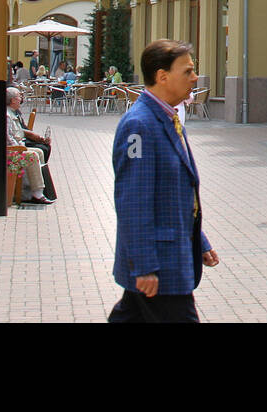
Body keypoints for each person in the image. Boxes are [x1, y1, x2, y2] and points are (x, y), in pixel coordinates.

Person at [108, 39, 218, 322]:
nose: (195, 78)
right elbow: (133, 201)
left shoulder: (166, 116)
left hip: (170, 252)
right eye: (188, 71)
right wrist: (144, 266)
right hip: (160, 263)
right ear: (162, 76)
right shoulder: (139, 126)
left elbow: (175, 193)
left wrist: (199, 240)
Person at [5, 88, 53, 204]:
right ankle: (37, 193)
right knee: (32, 155)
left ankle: (37, 189)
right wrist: (20, 148)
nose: (21, 99)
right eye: (18, 97)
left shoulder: (12, 112)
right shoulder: (7, 115)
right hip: (10, 150)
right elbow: (8, 137)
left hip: (17, 146)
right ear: (12, 100)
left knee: (40, 152)